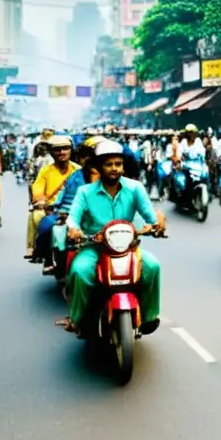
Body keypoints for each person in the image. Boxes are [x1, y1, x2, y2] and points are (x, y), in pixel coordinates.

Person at [59, 140, 164, 335]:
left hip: (128, 248)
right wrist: (73, 229)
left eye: (118, 164)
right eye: (109, 164)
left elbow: (150, 216)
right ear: (99, 167)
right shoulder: (85, 192)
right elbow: (73, 218)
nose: (114, 169)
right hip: (94, 248)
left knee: (152, 266)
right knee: (79, 271)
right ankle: (77, 319)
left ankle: (150, 316)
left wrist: (156, 224)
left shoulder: (135, 188)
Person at [37, 138, 98, 271]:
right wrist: (54, 206)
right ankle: (47, 258)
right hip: (66, 211)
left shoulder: (104, 176)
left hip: (92, 215)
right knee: (46, 225)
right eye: (83, 158)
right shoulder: (74, 175)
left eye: (89, 158)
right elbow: (63, 192)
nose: (86, 161)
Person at [27, 136, 80, 260]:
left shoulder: (79, 170)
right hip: (52, 209)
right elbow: (38, 188)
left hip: (75, 209)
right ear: (52, 152)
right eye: (57, 149)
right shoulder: (45, 171)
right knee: (36, 216)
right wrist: (41, 201)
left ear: (71, 150)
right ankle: (37, 250)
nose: (62, 152)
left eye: (65, 148)